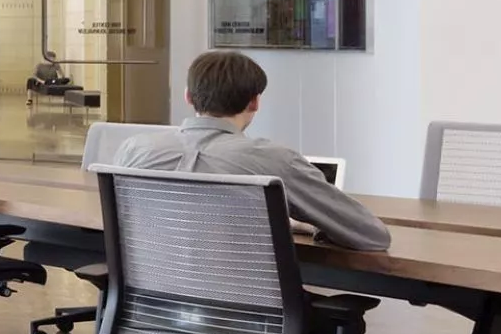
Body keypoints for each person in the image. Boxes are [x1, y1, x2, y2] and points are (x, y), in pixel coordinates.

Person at [110, 50, 391, 251]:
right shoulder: (275, 161)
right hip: (251, 323)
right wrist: (312, 225)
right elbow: (372, 235)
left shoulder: (134, 151)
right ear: (255, 102)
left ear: (188, 97)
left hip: (153, 311)